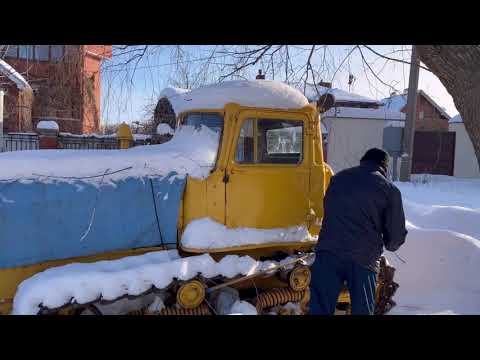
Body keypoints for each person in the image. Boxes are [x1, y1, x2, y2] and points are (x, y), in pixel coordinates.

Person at [310, 148, 408, 315]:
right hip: (363, 259)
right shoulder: (389, 189)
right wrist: (388, 242)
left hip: (328, 254)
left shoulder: (337, 179)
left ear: (363, 161)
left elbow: (328, 210)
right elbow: (395, 238)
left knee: (320, 310)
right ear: (384, 166)